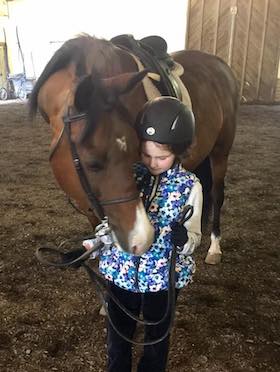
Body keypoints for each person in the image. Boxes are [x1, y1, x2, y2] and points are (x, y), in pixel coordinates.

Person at [83, 96, 203, 372]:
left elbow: (194, 235)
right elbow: (112, 221)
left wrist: (184, 241)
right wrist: (97, 242)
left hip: (162, 282)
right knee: (117, 336)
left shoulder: (189, 186)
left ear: (180, 151)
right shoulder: (131, 175)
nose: (153, 163)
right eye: (147, 155)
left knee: (156, 340)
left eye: (162, 157)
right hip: (121, 273)